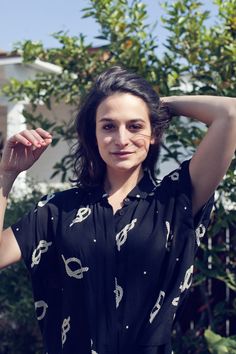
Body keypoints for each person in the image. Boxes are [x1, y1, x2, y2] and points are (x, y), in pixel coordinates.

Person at [0, 66, 235, 354]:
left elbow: (230, 114)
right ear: (93, 135)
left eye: (135, 126)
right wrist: (7, 175)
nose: (122, 139)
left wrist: (160, 104)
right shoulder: (56, 211)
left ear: (154, 134)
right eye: (108, 126)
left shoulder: (176, 202)